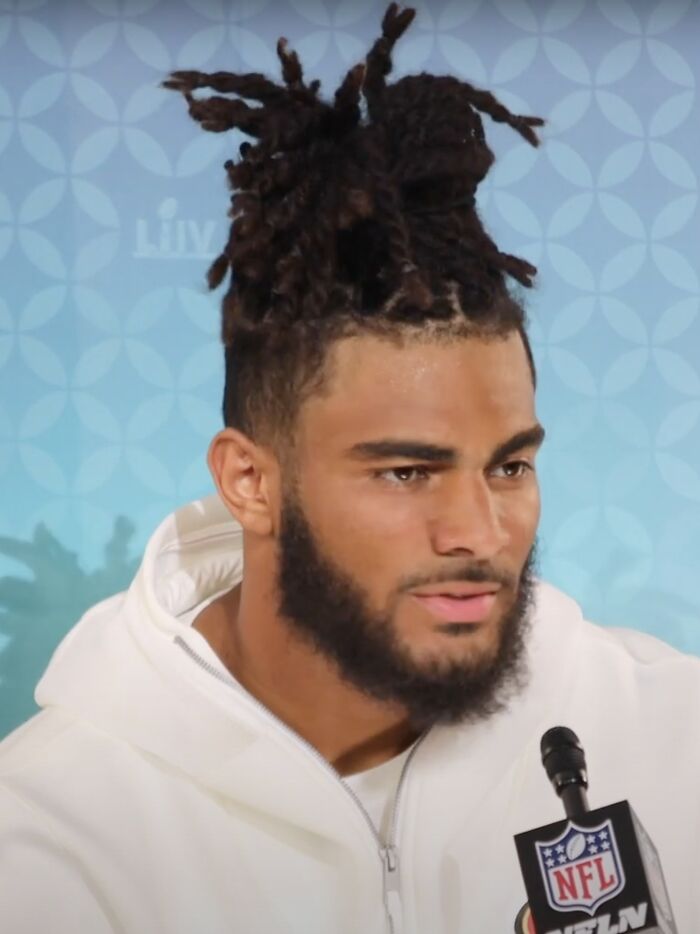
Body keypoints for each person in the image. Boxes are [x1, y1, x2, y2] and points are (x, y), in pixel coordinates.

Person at [1, 5, 699, 933]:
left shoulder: (675, 735)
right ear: (250, 483)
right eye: (408, 473)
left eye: (509, 467)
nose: (480, 534)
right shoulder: (44, 840)